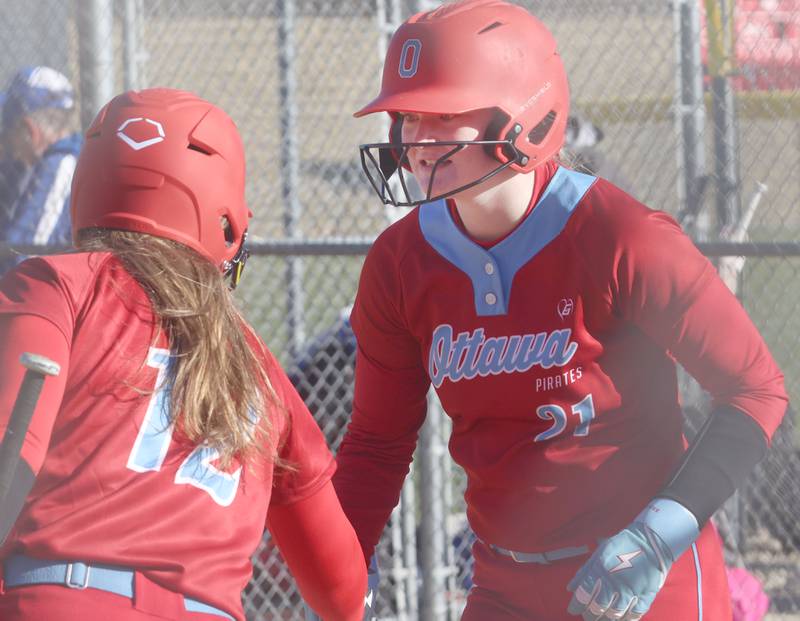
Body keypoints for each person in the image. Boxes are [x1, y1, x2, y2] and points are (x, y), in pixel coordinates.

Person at [333, 1, 788, 620]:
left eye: (442, 115)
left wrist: (660, 536)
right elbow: (377, 441)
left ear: (524, 117)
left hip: (643, 577)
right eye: (406, 117)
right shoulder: (398, 263)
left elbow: (755, 390)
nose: (414, 141)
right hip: (503, 582)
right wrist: (344, 552)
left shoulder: (622, 236)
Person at [0, 88, 366, 621]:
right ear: (225, 218)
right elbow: (343, 591)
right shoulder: (258, 367)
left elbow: (11, 452)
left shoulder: (55, 284)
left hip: (61, 599)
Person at [0, 66, 83, 273]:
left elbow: (25, 259)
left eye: (9, 133)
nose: (9, 145)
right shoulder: (42, 162)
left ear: (30, 131)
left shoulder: (62, 166)